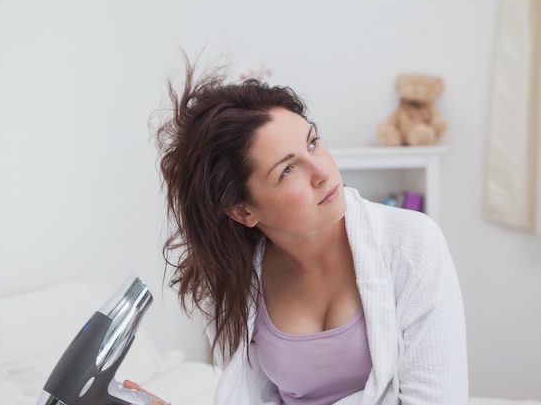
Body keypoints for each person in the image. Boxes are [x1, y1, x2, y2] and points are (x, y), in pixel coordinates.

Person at [126, 57, 468, 405]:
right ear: (243, 211)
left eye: (312, 142)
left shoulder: (411, 243)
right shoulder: (243, 279)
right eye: (288, 170)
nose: (321, 171)